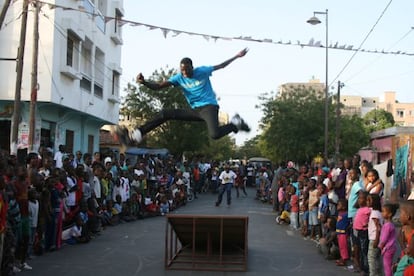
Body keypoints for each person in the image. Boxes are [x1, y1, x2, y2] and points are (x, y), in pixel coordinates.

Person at [113, 48, 251, 145]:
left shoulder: (202, 71)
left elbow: (221, 65)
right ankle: (137, 133)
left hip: (209, 107)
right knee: (164, 113)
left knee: (214, 135)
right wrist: (144, 82)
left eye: (187, 70)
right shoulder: (178, 78)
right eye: (182, 70)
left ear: (192, 67)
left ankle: (235, 124)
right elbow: (159, 87)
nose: (184, 73)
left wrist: (236, 56)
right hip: (194, 110)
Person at [379, 203, 398, 276]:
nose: (382, 213)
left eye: (384, 211)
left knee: (387, 265)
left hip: (388, 248)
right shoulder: (389, 224)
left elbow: (384, 238)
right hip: (391, 247)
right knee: (388, 264)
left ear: (389, 214)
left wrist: (380, 245)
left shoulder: (387, 225)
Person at [367, 193, 383, 276]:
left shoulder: (375, 213)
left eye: (369, 200)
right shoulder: (376, 212)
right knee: (376, 259)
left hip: (374, 239)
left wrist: (376, 240)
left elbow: (378, 228)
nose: (367, 202)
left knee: (371, 259)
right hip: (376, 238)